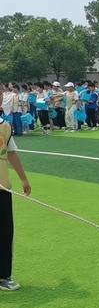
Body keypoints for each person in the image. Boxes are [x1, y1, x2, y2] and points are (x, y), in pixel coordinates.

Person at [0, 114, 31, 291]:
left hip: (3, 187)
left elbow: (11, 153)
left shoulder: (5, 126)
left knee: (5, 231)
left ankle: (4, 276)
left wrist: (23, 179)